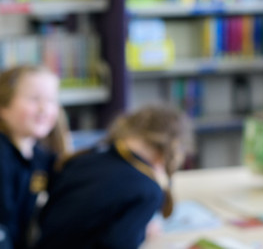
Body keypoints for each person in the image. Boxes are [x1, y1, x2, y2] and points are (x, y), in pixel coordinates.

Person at [34, 103, 193, 249]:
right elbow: (118, 245)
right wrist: (142, 232)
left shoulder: (83, 158)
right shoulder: (148, 190)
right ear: (170, 150)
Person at [0, 65, 70, 249]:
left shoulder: (42, 157)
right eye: (34, 99)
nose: (44, 108)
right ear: (3, 107)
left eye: (51, 100)